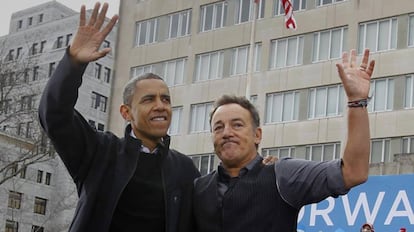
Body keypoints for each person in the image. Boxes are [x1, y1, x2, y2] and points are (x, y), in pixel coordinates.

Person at [38, 2, 200, 232]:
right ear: (126, 112)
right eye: (148, 99)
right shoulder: (100, 153)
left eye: (165, 99)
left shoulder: (185, 169)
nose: (160, 106)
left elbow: (219, 206)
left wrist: (267, 171)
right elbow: (54, 115)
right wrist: (73, 63)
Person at [192, 48, 375, 231]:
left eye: (237, 125)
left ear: (258, 135)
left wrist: (356, 101)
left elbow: (353, 172)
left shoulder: (283, 175)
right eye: (218, 127)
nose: (227, 132)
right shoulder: (198, 189)